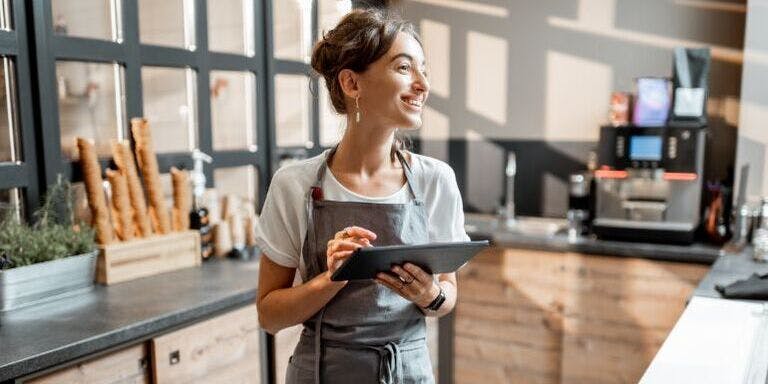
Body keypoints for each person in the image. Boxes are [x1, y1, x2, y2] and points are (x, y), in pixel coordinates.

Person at [255, 9, 469, 384]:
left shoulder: (436, 181)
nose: (422, 84)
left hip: (409, 373)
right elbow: (269, 315)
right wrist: (332, 278)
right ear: (352, 84)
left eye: (424, 70)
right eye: (404, 68)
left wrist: (428, 293)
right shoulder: (295, 185)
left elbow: (447, 295)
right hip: (320, 373)